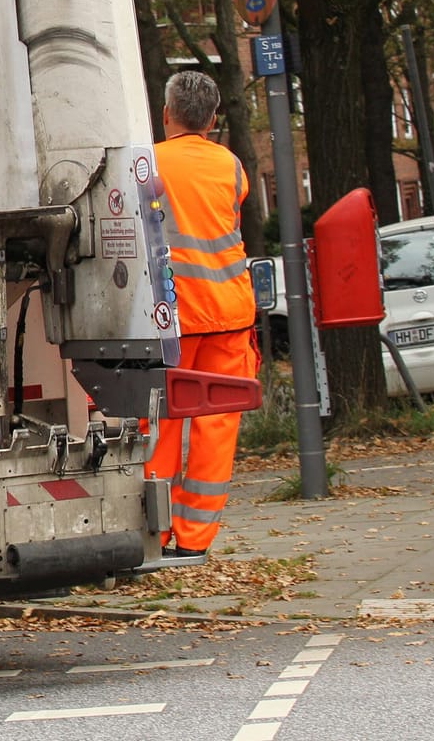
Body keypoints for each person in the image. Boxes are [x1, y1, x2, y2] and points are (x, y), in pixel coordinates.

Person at [150, 70, 259, 559]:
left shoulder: (148, 162)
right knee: (218, 426)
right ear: (213, 120)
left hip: (172, 317)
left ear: (167, 113)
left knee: (161, 423)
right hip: (230, 312)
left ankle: (154, 531)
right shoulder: (232, 166)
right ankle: (196, 539)